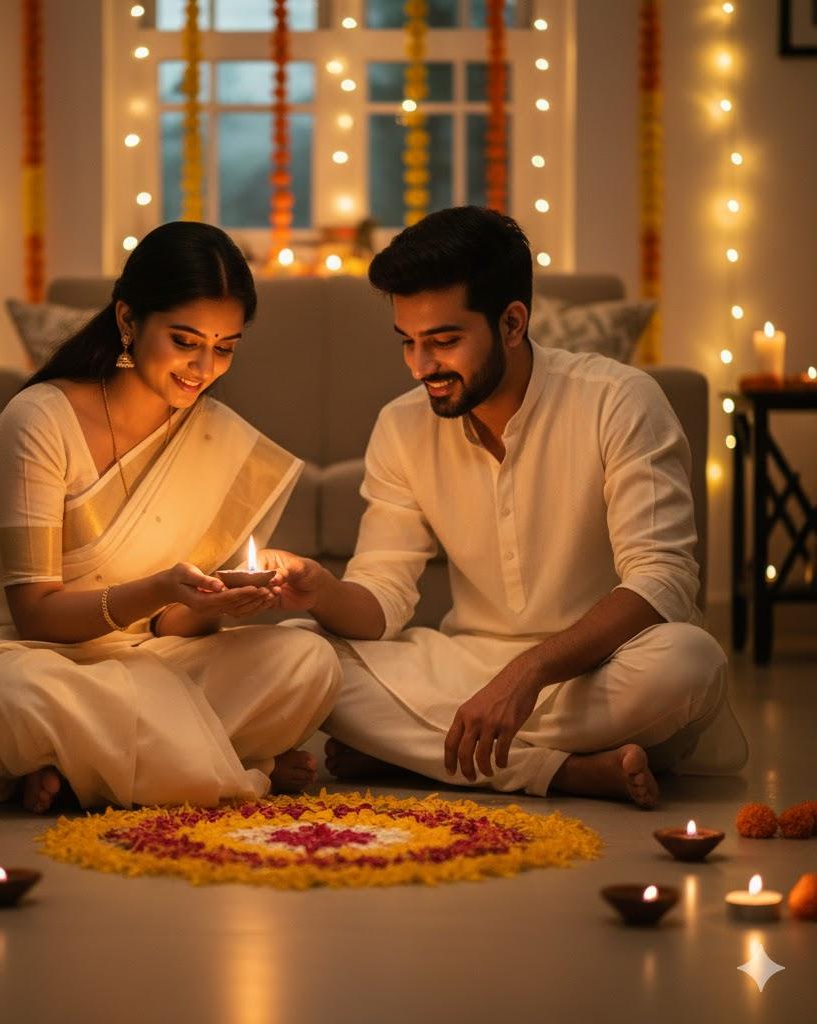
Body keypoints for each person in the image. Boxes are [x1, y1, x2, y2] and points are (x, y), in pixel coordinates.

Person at [263, 205, 747, 808]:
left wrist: (528, 675)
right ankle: (563, 770)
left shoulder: (619, 401)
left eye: (443, 341)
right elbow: (383, 599)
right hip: (465, 667)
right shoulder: (400, 427)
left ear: (513, 322)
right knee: (298, 651)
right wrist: (321, 592)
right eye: (408, 343)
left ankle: (415, 755)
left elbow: (664, 581)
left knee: (688, 662)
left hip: (600, 669)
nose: (420, 367)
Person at [0, 222, 340, 813]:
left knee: (307, 662)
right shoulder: (40, 421)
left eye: (224, 348)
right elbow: (35, 616)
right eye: (185, 341)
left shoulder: (214, 439)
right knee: (7, 697)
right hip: (26, 654)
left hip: (145, 660)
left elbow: (165, 628)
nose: (202, 368)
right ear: (128, 321)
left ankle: (84, 766)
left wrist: (209, 607)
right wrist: (154, 589)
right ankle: (229, 767)